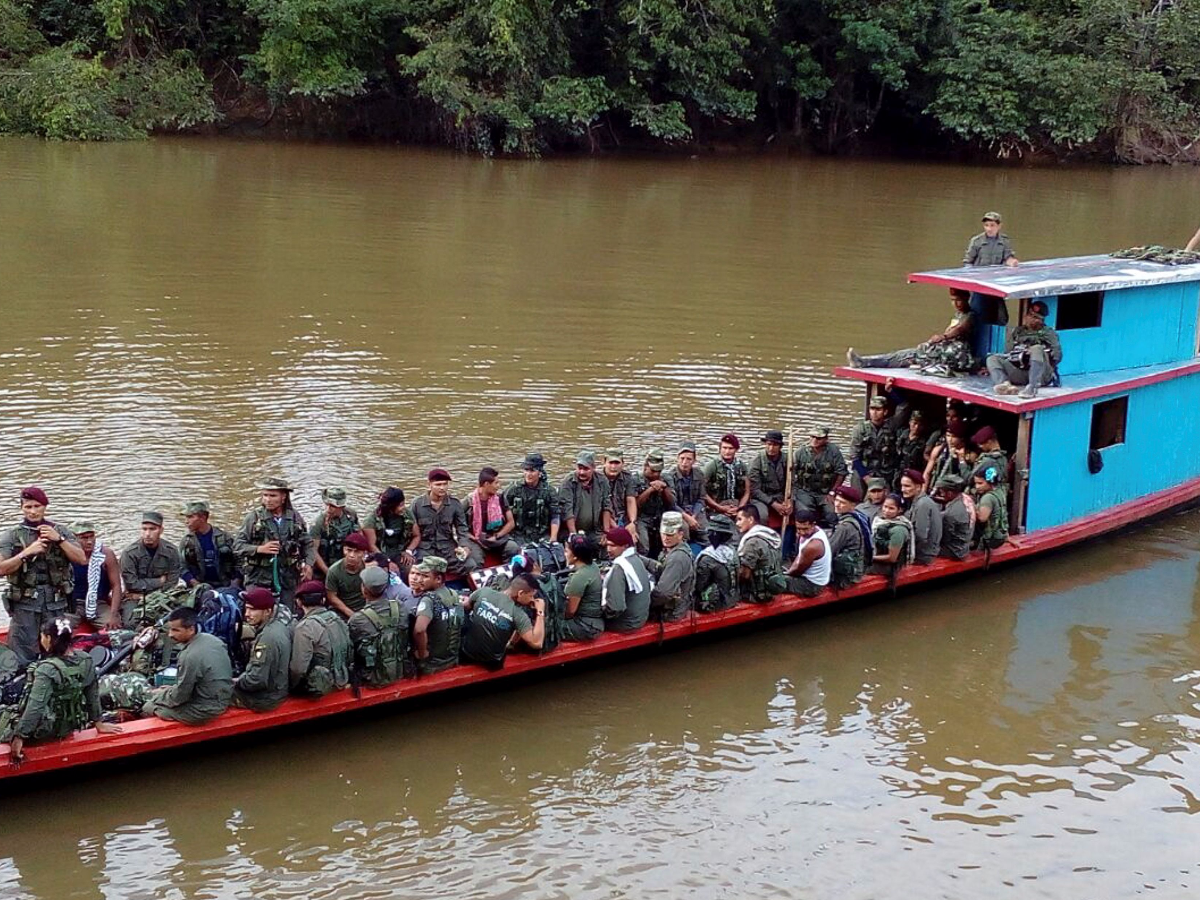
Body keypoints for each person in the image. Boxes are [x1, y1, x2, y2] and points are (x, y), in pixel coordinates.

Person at [2, 618, 119, 760]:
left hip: (44, 731)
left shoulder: (46, 669)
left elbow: (35, 707)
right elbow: (91, 693)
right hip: (67, 726)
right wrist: (98, 722)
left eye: (43, 636)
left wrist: (19, 736)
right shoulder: (86, 660)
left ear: (49, 638)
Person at [847, 288, 977, 375]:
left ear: (966, 299)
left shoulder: (970, 315)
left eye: (959, 300)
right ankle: (865, 361)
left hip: (957, 355)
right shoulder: (957, 315)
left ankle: (864, 362)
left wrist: (943, 336)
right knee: (902, 354)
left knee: (907, 355)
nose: (956, 304)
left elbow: (960, 329)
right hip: (945, 351)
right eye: (953, 300)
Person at [141, 606, 233, 724]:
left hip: (206, 709)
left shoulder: (189, 655)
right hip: (222, 697)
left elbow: (181, 696)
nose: (170, 634)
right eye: (170, 629)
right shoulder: (213, 640)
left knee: (148, 707)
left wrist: (159, 697)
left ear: (191, 629)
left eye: (175, 630)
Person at [234, 478, 315, 609]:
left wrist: (309, 564)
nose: (268, 500)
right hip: (259, 577)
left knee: (288, 612)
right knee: (257, 611)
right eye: (265, 495)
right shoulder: (253, 518)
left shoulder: (294, 517)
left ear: (283, 497)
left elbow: (308, 543)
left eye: (273, 496)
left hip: (288, 577)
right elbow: (237, 546)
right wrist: (259, 549)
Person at [964, 211, 1018, 360]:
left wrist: (1011, 262)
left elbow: (1008, 257)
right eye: (986, 225)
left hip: (996, 288)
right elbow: (968, 262)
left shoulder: (1005, 241)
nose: (989, 228)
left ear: (999, 226)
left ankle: (996, 353)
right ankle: (974, 355)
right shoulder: (976, 241)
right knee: (976, 320)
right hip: (980, 287)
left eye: (992, 225)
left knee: (1001, 319)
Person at [459, 575, 545, 669]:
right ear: (520, 593)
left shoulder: (484, 591)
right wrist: (540, 612)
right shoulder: (518, 614)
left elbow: (466, 606)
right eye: (531, 596)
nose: (532, 599)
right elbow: (537, 643)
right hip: (491, 662)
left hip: (465, 654)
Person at [408, 469, 477, 580]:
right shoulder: (417, 504)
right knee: (421, 572)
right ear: (429, 484)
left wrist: (465, 547)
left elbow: (462, 529)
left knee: (471, 565)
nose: (442, 488)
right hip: (425, 549)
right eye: (438, 484)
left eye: (445, 484)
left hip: (448, 548)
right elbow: (409, 530)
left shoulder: (454, 504)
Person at [987, 300, 1063, 399]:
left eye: (1035, 317)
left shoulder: (1048, 333)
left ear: (1041, 320)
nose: (1031, 319)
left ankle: (1032, 387)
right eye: (1030, 315)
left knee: (1036, 348)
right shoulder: (1019, 331)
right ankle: (1005, 385)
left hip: (1041, 374)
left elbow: (1057, 356)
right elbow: (1008, 352)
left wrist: (1041, 355)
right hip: (1021, 369)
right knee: (992, 358)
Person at [231, 587, 291, 712]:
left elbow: (255, 680)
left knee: (214, 693)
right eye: (246, 608)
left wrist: (235, 682)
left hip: (264, 699)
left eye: (252, 609)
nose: (247, 614)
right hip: (277, 690)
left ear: (268, 611)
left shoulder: (266, 639)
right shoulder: (279, 626)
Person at [347, 566, 408, 686]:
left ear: (364, 589)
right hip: (400, 670)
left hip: (371, 678)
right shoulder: (400, 607)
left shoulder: (358, 619)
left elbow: (349, 653)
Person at [289, 579, 351, 696]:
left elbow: (298, 669)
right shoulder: (336, 618)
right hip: (344, 676)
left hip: (321, 686)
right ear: (323, 600)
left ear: (299, 602)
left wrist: (291, 687)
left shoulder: (305, 627)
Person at [119, 512, 183, 624]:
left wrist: (151, 597)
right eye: (144, 529)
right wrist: (159, 581)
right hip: (134, 599)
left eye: (152, 529)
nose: (147, 534)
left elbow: (172, 582)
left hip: (163, 596)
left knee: (176, 621)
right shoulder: (129, 554)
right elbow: (132, 584)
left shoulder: (171, 551)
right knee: (131, 623)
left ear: (161, 530)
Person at [411, 557, 465, 675]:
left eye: (425, 576)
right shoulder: (454, 594)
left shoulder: (429, 599)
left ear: (438, 579)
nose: (419, 580)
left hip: (432, 665)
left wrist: (422, 653)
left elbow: (419, 630)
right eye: (418, 575)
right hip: (452, 659)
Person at [69, 521, 123, 628]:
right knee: (57, 628)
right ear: (74, 539)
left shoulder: (106, 554)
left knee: (114, 630)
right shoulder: (68, 554)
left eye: (91, 537)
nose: (89, 542)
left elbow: (116, 586)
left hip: (99, 603)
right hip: (73, 604)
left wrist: (113, 615)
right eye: (84, 538)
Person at [792, 426, 848, 528]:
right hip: (805, 491)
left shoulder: (834, 452)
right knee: (805, 513)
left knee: (832, 514)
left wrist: (833, 492)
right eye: (812, 437)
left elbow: (841, 472)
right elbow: (791, 471)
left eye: (818, 438)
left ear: (826, 439)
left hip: (826, 492)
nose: (814, 440)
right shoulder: (800, 451)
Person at [178, 501, 240, 590]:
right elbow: (181, 567)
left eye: (190, 517)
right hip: (199, 586)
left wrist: (235, 583)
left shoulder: (225, 538)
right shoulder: (187, 541)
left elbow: (239, 560)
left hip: (226, 584)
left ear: (203, 518)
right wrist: (196, 584)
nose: (186, 521)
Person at [601, 528, 652, 632]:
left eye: (613, 546)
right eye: (607, 545)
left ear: (625, 546)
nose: (608, 549)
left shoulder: (619, 568)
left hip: (626, 623)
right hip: (639, 618)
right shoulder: (636, 558)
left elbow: (616, 608)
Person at [464, 467, 521, 561]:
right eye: (496, 483)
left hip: (497, 537)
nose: (498, 486)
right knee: (476, 559)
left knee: (513, 548)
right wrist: (472, 538)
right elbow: (458, 525)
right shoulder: (468, 501)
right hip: (476, 540)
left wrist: (496, 536)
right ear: (486, 484)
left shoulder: (500, 498)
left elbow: (511, 523)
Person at [504, 453, 561, 545]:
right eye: (526, 470)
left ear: (540, 472)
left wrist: (553, 538)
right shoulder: (513, 489)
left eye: (532, 471)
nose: (528, 474)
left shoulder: (549, 491)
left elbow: (555, 516)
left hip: (542, 535)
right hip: (517, 534)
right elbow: (502, 509)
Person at [559, 451, 613, 548]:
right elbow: (567, 510)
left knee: (606, 546)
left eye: (586, 469)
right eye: (579, 468)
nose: (582, 472)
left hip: (594, 530)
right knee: (577, 548)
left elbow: (606, 506)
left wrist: (606, 532)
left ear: (593, 468)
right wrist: (574, 535)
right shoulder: (568, 482)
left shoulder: (602, 481)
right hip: (570, 531)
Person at [648, 512, 694, 622]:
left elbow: (663, 593)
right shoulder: (672, 548)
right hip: (674, 605)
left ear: (680, 534)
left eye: (670, 535)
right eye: (663, 533)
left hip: (670, 612)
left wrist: (645, 603)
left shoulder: (677, 558)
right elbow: (661, 566)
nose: (665, 538)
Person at [735, 504, 785, 603]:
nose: (737, 523)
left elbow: (745, 575)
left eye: (740, 519)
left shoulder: (752, 543)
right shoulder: (770, 535)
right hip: (771, 588)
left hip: (757, 594)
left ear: (750, 519)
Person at [309, 488, 361, 576]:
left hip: (347, 561)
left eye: (332, 506)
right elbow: (313, 550)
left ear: (342, 507)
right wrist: (328, 572)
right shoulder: (319, 523)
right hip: (325, 566)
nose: (328, 509)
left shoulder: (351, 515)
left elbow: (360, 537)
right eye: (327, 505)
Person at [362, 487, 417, 570]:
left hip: (400, 552)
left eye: (403, 504)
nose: (403, 508)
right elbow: (371, 546)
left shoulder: (407, 514)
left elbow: (417, 536)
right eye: (400, 505)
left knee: (413, 570)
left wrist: (408, 551)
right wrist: (386, 561)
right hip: (379, 555)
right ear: (391, 507)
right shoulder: (371, 520)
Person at [562, 534, 604, 642]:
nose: (564, 554)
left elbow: (570, 611)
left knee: (548, 627)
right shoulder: (593, 566)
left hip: (586, 627)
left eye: (567, 551)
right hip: (595, 622)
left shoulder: (579, 576)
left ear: (576, 556)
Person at [849, 397, 898, 491]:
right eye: (872, 409)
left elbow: (904, 407)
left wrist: (891, 391)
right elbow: (854, 456)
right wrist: (865, 477)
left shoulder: (891, 425)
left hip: (884, 471)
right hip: (864, 470)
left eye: (878, 409)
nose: (874, 412)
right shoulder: (860, 429)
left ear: (885, 411)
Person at [633, 450, 675, 555]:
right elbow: (636, 504)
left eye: (659, 472)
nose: (656, 474)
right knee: (644, 545)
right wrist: (650, 490)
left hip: (660, 515)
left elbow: (672, 503)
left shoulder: (666, 478)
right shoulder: (636, 479)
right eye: (653, 471)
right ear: (645, 467)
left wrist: (664, 488)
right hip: (642, 517)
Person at [694, 513, 739, 612]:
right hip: (733, 599)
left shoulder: (707, 559)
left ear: (715, 534)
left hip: (717, 604)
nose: (707, 534)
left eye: (710, 531)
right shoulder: (732, 551)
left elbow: (699, 586)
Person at [828, 485, 871, 589]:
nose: (837, 505)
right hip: (857, 568)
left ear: (852, 505)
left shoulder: (845, 526)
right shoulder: (859, 517)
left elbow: (829, 550)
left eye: (842, 503)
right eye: (837, 500)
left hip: (848, 577)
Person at [664, 441, 708, 542]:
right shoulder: (670, 476)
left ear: (694, 460)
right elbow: (672, 504)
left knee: (706, 532)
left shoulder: (699, 474)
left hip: (694, 510)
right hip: (677, 512)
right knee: (683, 531)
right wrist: (687, 517)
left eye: (689, 459)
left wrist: (694, 515)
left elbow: (701, 499)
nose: (685, 462)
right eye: (682, 458)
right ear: (677, 459)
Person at [783, 509, 832, 597]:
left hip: (812, 585)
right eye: (798, 528)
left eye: (805, 529)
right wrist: (789, 571)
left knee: (774, 582)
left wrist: (786, 576)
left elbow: (798, 571)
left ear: (813, 525)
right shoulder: (814, 531)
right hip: (807, 576)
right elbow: (800, 557)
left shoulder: (813, 546)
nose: (801, 532)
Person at [748, 430, 791, 529]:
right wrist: (773, 504)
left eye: (775, 445)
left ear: (780, 446)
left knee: (801, 511)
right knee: (762, 516)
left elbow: (792, 483)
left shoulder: (787, 460)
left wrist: (790, 501)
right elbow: (755, 490)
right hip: (761, 497)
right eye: (769, 444)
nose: (771, 448)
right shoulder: (757, 461)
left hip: (780, 495)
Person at [899, 469, 942, 565]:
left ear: (918, 487)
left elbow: (921, 536)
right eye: (902, 486)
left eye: (907, 486)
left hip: (924, 556)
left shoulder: (922, 504)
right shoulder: (917, 502)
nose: (902, 489)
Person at [704, 434, 751, 519]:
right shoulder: (711, 466)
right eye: (724, 448)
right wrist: (720, 508)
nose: (727, 451)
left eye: (730, 448)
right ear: (720, 449)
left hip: (737, 505)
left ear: (736, 450)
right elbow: (702, 492)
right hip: (716, 505)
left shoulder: (742, 467)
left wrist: (740, 508)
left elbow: (747, 492)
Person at [324, 531, 370, 617]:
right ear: (344, 550)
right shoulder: (334, 571)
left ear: (364, 553)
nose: (351, 555)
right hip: (342, 610)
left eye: (357, 552)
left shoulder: (368, 568)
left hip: (365, 608)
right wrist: (350, 614)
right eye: (349, 550)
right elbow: (332, 597)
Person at [599, 449, 639, 544]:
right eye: (611, 463)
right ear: (604, 462)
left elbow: (630, 500)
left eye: (617, 463)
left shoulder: (627, 477)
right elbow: (601, 507)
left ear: (622, 463)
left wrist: (632, 522)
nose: (613, 467)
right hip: (603, 520)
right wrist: (618, 530)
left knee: (637, 540)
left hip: (622, 518)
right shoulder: (598, 479)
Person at [869, 494, 914, 576]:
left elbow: (892, 558)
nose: (886, 511)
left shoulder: (899, 530)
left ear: (900, 510)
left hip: (890, 566)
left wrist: (870, 557)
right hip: (877, 558)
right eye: (885, 507)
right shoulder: (879, 521)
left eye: (891, 508)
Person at [934, 475, 973, 560]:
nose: (941, 494)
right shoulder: (965, 499)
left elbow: (945, 539)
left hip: (955, 551)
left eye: (942, 492)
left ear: (950, 493)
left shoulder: (950, 514)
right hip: (963, 545)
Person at [972, 467, 1009, 550]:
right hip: (1000, 534)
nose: (977, 486)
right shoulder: (1000, 491)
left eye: (980, 483)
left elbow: (982, 518)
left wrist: (971, 506)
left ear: (990, 482)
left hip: (989, 538)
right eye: (975, 483)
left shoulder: (988, 498)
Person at [972, 425, 1009, 491]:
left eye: (981, 444)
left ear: (989, 442)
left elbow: (969, 479)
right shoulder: (1003, 458)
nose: (980, 447)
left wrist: (962, 461)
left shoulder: (988, 461)